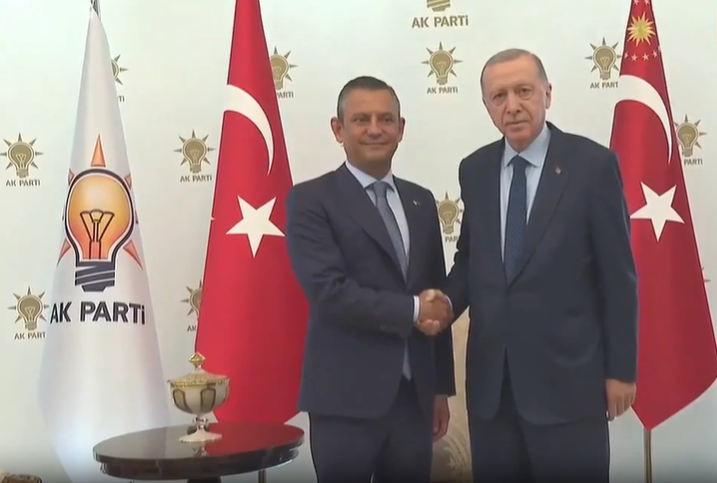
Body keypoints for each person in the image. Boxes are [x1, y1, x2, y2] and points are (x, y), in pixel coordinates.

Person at [438, 49, 639, 482]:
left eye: (524, 91)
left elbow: (618, 277)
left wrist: (621, 371)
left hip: (569, 387)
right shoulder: (475, 169)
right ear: (487, 105)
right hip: (493, 391)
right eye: (499, 96)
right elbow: (471, 258)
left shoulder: (592, 165)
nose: (512, 106)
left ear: (547, 93)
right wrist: (442, 305)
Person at [285, 76, 456, 483]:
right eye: (361, 119)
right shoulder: (310, 200)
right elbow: (329, 292)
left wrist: (439, 389)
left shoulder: (421, 200)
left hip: (414, 401)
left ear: (401, 128)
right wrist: (413, 310)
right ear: (338, 129)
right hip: (344, 401)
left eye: (386, 119)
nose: (375, 129)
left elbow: (436, 296)